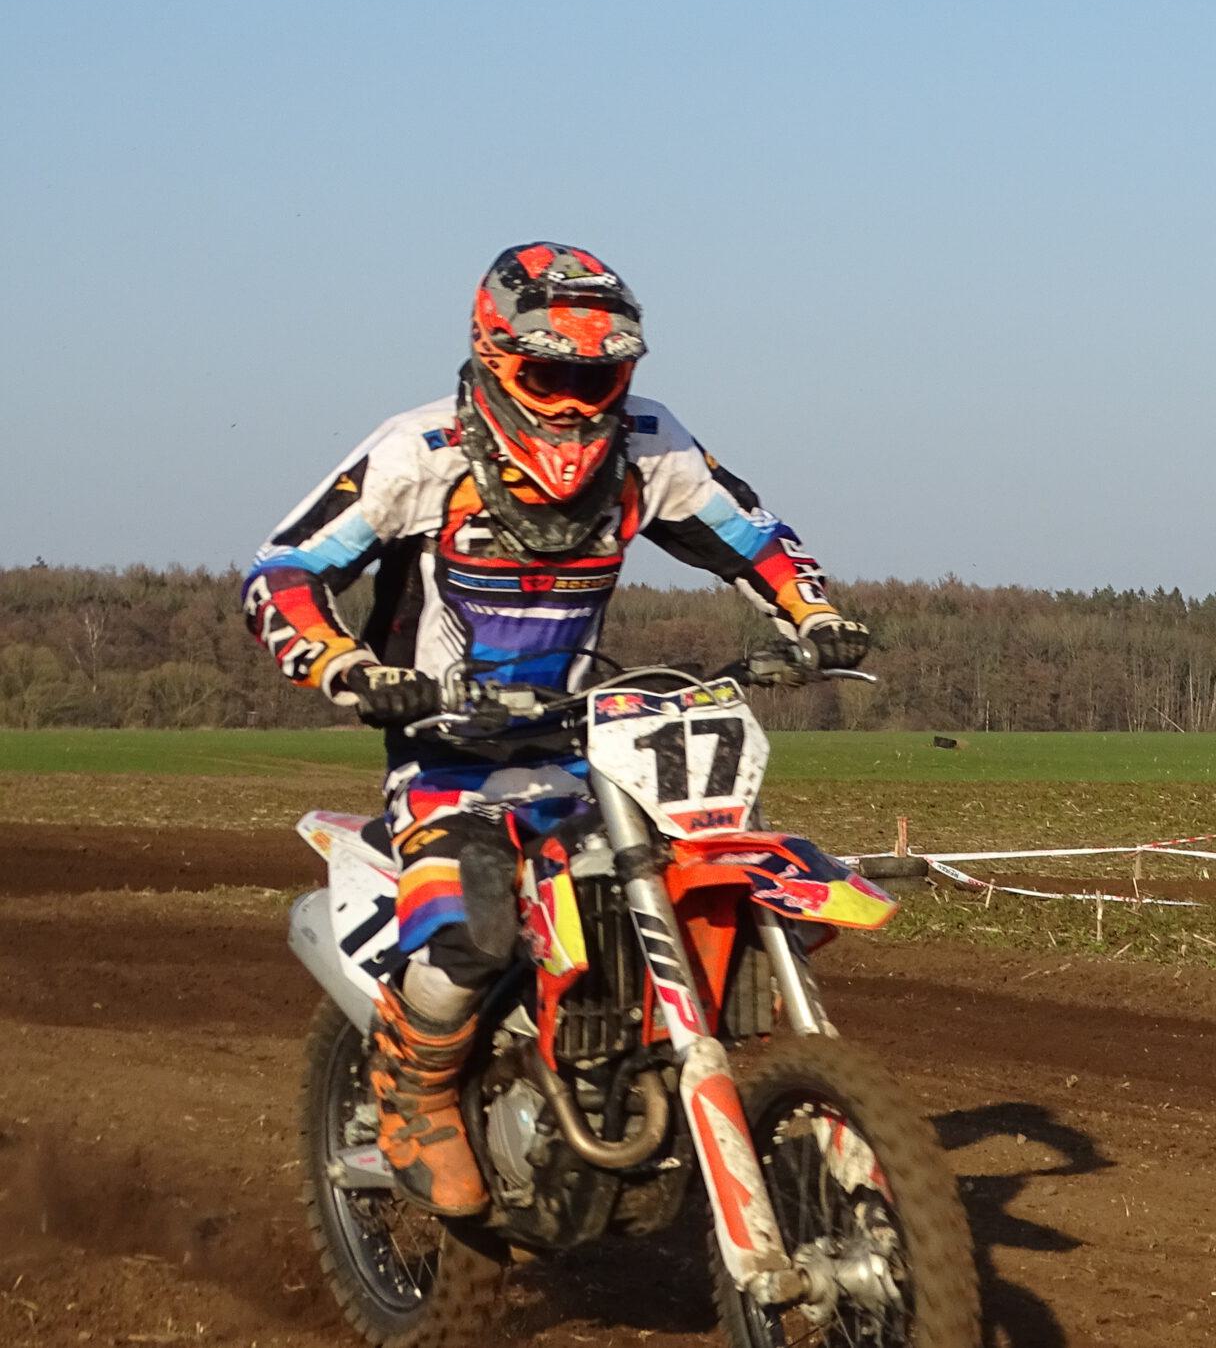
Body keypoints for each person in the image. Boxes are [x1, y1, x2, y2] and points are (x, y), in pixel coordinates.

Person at [241, 243, 870, 1217]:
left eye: (597, 378)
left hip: (592, 747)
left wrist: (813, 615)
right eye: (551, 375)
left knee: (706, 880)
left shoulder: (648, 444)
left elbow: (754, 536)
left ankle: (673, 1074)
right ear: (496, 358)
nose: (576, 404)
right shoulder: (420, 452)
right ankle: (414, 1088)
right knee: (470, 933)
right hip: (448, 751)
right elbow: (282, 570)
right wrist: (348, 666)